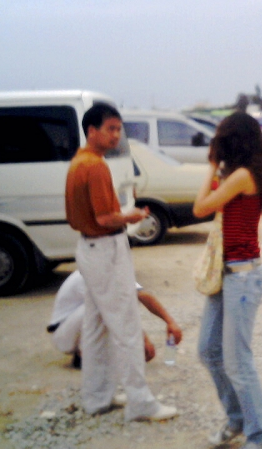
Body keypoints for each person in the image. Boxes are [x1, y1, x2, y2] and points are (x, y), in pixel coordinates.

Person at [64, 103, 177, 422]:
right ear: (92, 131)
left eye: (118, 129)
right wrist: (134, 216)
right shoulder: (95, 166)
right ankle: (140, 402)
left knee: (96, 325)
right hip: (105, 248)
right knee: (126, 326)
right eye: (110, 129)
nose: (116, 135)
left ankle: (97, 397)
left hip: (89, 248)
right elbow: (105, 217)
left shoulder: (79, 161)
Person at [193, 111, 262, 449]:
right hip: (227, 274)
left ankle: (260, 435)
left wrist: (211, 166)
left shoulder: (242, 175)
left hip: (243, 277)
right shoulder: (241, 173)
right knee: (208, 351)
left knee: (238, 362)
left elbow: (200, 208)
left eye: (221, 139)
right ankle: (237, 419)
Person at [47, 270, 183, 369]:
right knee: (103, 306)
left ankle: (99, 353)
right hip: (64, 335)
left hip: (77, 327)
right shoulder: (89, 272)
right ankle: (85, 357)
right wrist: (142, 338)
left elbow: (141, 295)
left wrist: (170, 322)